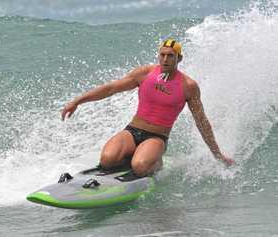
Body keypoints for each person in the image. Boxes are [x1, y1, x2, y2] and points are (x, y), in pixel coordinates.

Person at [61, 38, 235, 177]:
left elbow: (201, 121)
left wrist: (217, 154)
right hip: (132, 131)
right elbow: (111, 88)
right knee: (107, 160)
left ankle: (155, 162)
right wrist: (77, 101)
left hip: (157, 137)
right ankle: (131, 156)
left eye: (171, 56)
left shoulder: (188, 86)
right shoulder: (145, 73)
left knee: (140, 166)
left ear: (179, 58)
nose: (165, 59)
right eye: (162, 55)